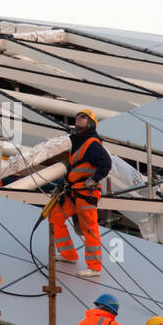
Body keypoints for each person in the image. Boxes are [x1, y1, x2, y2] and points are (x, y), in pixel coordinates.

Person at [50, 108, 112, 277]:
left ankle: (94, 267)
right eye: (77, 116)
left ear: (91, 123)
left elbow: (106, 163)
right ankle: (68, 254)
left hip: (86, 193)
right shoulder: (77, 140)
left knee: (89, 228)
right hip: (73, 191)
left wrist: (95, 179)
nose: (79, 118)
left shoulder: (92, 143)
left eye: (83, 117)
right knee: (55, 216)